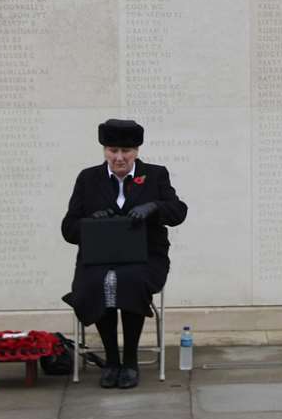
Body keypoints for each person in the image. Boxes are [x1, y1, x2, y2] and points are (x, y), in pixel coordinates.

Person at [61, 118, 187, 389]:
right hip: (98, 258)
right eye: (112, 150)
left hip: (144, 256)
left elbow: (178, 212)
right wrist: (91, 221)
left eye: (126, 151)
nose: (119, 158)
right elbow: (68, 229)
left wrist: (153, 207)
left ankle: (129, 360)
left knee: (129, 281)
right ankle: (112, 360)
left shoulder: (155, 175)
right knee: (98, 282)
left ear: (137, 151)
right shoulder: (88, 178)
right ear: (104, 150)